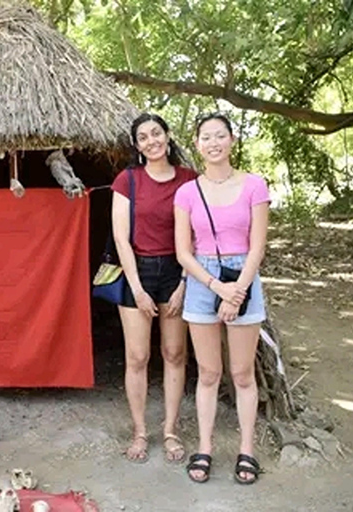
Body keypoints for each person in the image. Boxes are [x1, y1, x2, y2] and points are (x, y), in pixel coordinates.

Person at [174, 112, 270, 485]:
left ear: (232, 140)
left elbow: (257, 246)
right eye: (206, 137)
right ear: (197, 144)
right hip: (202, 281)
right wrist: (217, 288)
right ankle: (205, 446)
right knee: (209, 373)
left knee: (242, 373)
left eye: (220, 136)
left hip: (243, 277)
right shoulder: (187, 192)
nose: (213, 143)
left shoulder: (254, 186)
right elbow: (183, 251)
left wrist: (238, 292)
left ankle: (247, 450)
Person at [111, 113, 198, 463]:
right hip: (138, 271)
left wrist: (183, 283)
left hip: (179, 270)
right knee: (137, 356)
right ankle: (140, 431)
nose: (151, 141)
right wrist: (137, 288)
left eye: (156, 133)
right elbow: (120, 236)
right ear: (137, 145)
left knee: (175, 353)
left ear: (167, 136)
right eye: (143, 137)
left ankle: (171, 430)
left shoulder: (189, 181)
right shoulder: (127, 180)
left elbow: (198, 234)